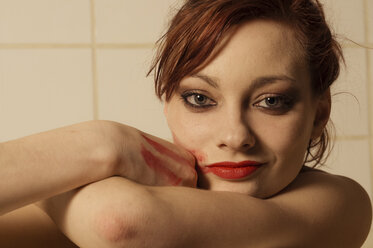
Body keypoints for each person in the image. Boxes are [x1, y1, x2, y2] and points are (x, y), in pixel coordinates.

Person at [0, 0, 372, 247]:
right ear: (168, 103)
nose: (234, 136)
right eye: (200, 99)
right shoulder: (83, 202)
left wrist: (100, 146)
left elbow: (119, 223)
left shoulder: (337, 204)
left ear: (318, 113)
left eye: (271, 101)